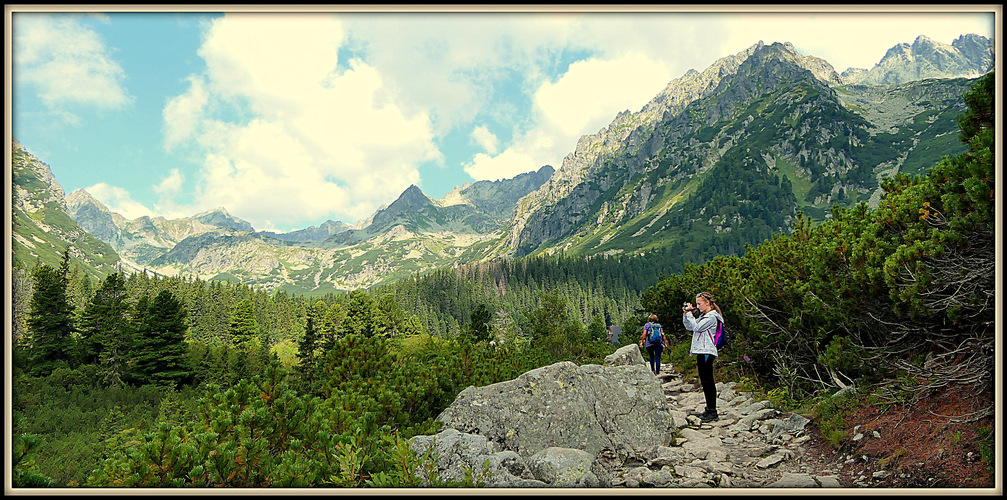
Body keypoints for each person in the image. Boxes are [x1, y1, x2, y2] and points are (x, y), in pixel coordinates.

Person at [683, 292, 724, 422]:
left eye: (699, 303)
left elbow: (696, 327)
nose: (698, 306)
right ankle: (709, 409)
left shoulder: (711, 317)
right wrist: (686, 314)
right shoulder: (705, 316)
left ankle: (712, 411)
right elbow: (689, 326)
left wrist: (690, 313)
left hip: (707, 351)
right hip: (701, 350)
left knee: (708, 381)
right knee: (705, 381)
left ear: (707, 303)